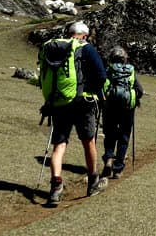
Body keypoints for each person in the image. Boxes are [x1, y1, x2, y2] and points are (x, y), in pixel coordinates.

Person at [38, 21, 107, 206]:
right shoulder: (85, 48)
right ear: (83, 35)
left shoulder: (52, 47)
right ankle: (93, 181)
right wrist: (93, 89)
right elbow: (101, 76)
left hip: (59, 101)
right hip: (83, 101)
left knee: (59, 145)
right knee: (88, 141)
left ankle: (55, 187)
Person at [101, 46, 143, 179]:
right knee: (124, 137)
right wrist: (134, 99)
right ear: (125, 58)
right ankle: (118, 168)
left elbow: (102, 87)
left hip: (110, 108)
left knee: (109, 134)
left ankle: (108, 159)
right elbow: (140, 90)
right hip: (127, 109)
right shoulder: (131, 71)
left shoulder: (108, 70)